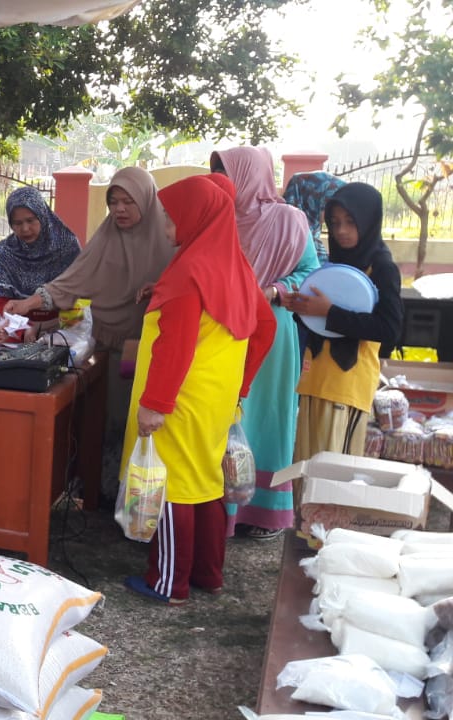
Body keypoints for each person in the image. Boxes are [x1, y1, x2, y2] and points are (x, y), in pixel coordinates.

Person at [121, 174, 274, 605]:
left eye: (171, 219)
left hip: (180, 399)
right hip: (215, 398)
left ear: (196, 217)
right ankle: (208, 573)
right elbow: (265, 326)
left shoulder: (189, 272)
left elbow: (176, 344)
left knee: (173, 488)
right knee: (207, 483)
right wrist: (240, 385)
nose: (167, 228)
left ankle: (169, 582)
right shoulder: (232, 264)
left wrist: (155, 404)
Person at [3, 167, 176, 499]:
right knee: (113, 420)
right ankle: (113, 494)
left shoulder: (171, 238)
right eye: (114, 201)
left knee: (154, 427)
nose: (120, 209)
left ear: (146, 199)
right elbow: (74, 280)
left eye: (128, 201)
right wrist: (29, 303)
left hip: (162, 351)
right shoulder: (108, 235)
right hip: (115, 347)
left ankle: (151, 501)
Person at [211, 147, 319, 541]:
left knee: (267, 419)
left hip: (271, 331)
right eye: (218, 173)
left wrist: (274, 290)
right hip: (223, 329)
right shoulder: (218, 217)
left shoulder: (290, 219)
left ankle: (264, 513)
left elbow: (310, 271)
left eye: (228, 173)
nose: (223, 181)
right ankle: (225, 507)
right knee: (225, 417)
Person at [286, 182, 403, 459]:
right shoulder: (335, 262)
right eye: (335, 223)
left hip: (347, 386)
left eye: (351, 222)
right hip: (315, 380)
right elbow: (320, 322)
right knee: (306, 474)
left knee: (331, 480)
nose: (341, 231)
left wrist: (328, 312)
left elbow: (389, 329)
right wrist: (301, 308)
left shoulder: (382, 267)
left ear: (368, 220)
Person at [0, 186, 81, 322]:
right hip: (19, 328)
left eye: (30, 220)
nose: (25, 229)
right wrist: (22, 328)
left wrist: (63, 332)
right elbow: (1, 300)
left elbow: (78, 292)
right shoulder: (4, 252)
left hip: (65, 328)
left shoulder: (67, 246)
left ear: (42, 216)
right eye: (18, 223)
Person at [284, 171, 347, 263]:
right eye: (328, 205)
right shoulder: (291, 235)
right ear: (311, 199)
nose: (333, 212)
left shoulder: (312, 231)